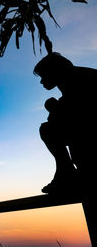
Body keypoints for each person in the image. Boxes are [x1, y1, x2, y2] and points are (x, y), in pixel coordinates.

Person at [34, 52, 97, 194]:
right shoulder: (73, 80)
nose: (41, 81)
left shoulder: (79, 80)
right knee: (48, 128)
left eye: (43, 75)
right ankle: (67, 171)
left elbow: (80, 114)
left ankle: (66, 172)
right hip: (85, 138)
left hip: (90, 137)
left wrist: (56, 109)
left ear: (54, 71)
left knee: (47, 130)